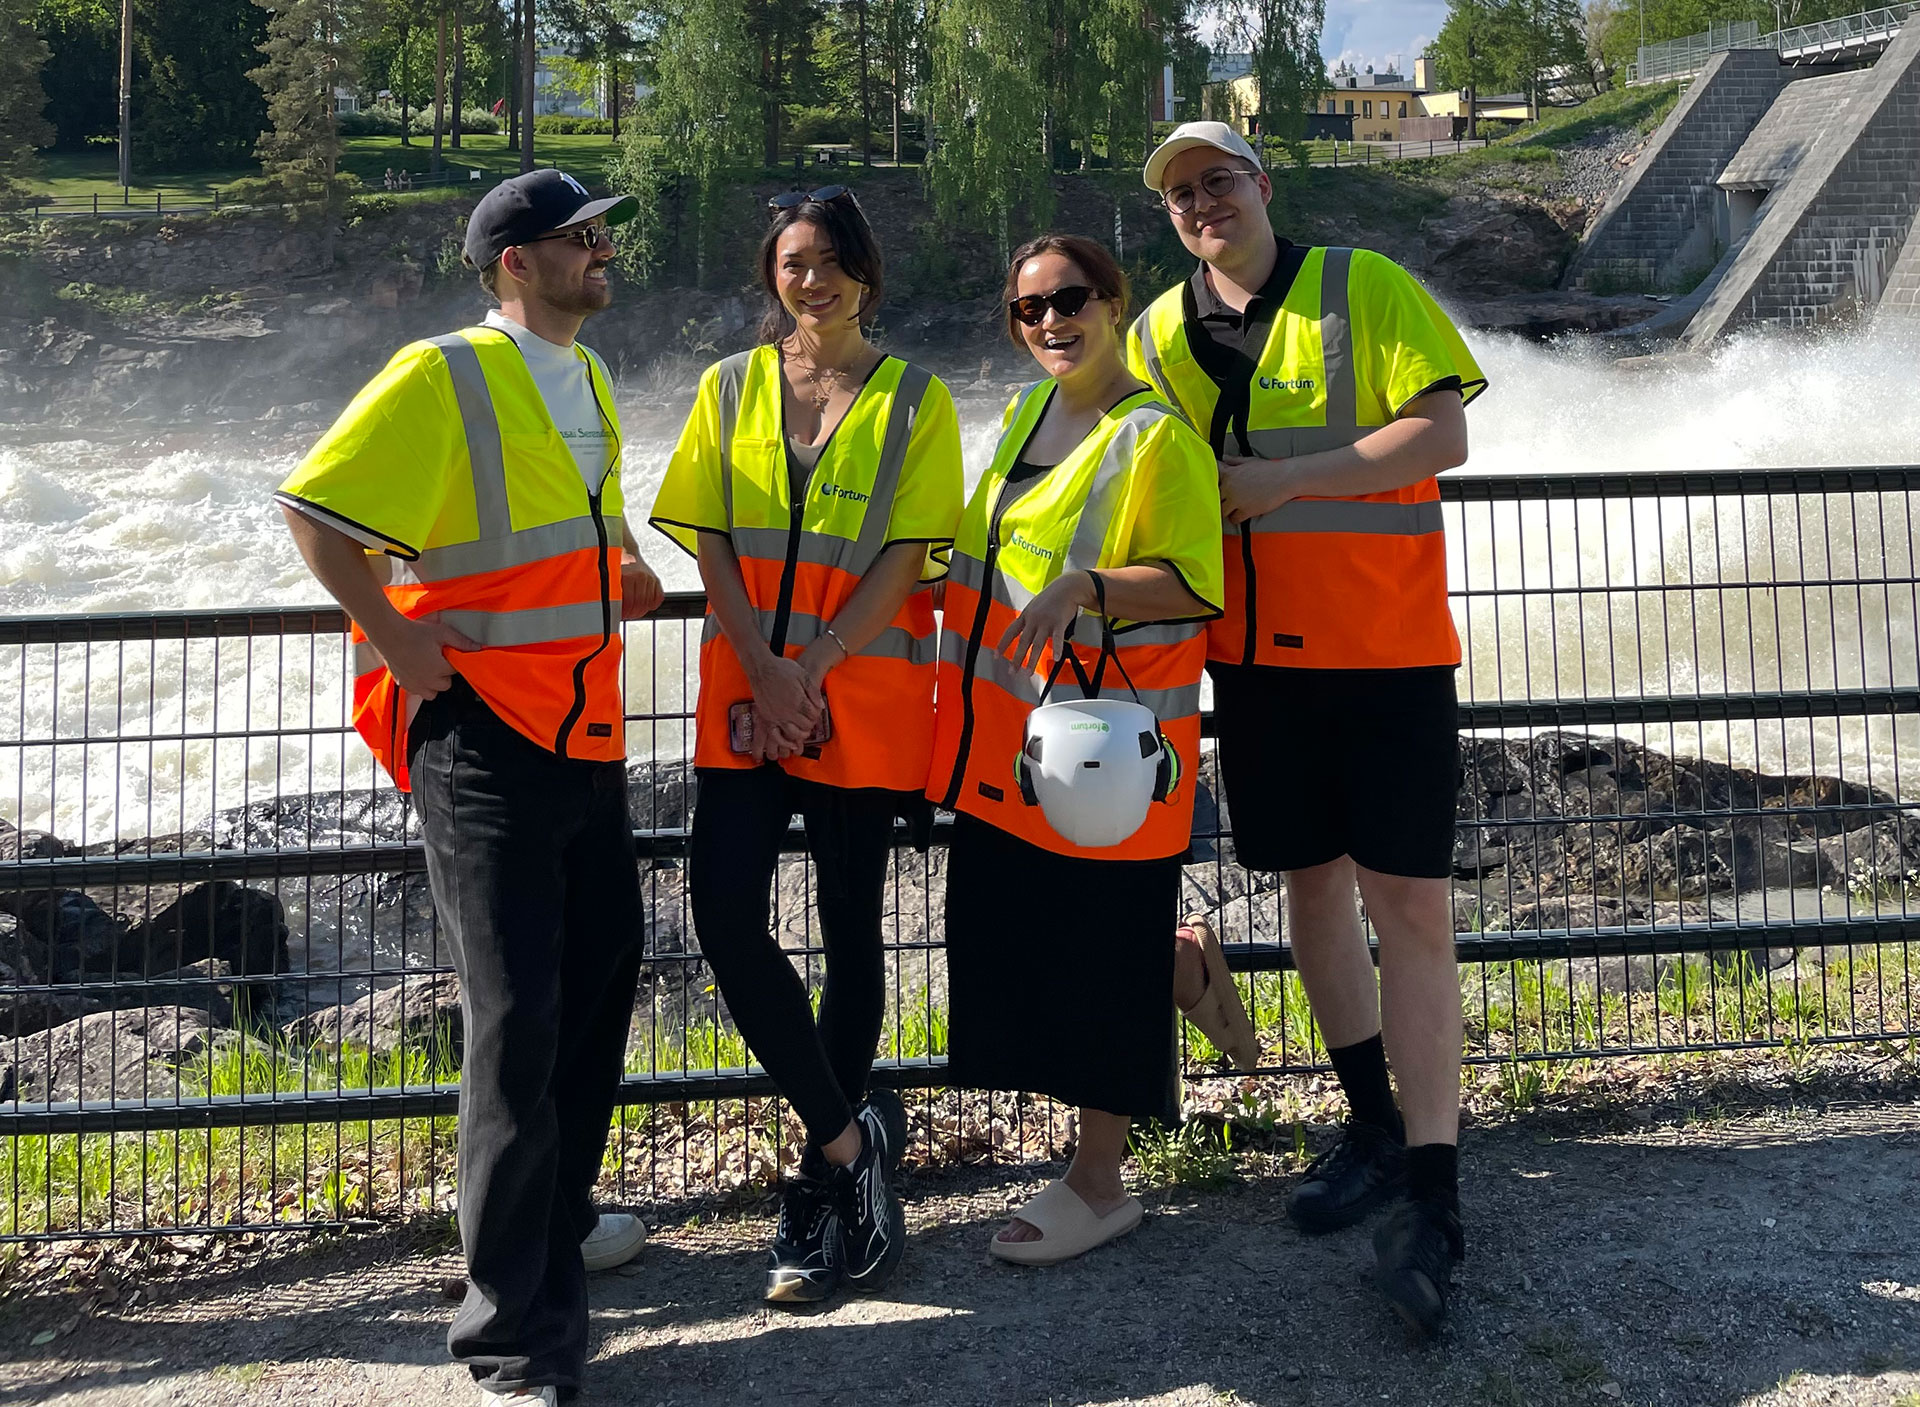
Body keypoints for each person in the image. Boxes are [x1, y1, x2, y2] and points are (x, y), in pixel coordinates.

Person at [274, 169, 664, 1406]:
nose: (602, 252)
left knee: (600, 976)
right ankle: (511, 1337)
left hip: (584, 734)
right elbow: (313, 511)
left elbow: (575, 528)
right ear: (515, 263)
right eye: (580, 238)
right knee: (517, 1026)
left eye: (602, 236)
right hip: (483, 739)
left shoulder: (588, 378)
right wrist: (396, 639)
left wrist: (626, 566)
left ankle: (559, 1222)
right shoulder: (440, 372)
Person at [1127, 121, 1487, 1336]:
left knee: (1413, 909)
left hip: (1386, 657)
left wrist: (1291, 478)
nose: (1202, 204)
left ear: (1262, 184)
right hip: (1254, 669)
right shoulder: (1156, 334)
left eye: (1217, 181)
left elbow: (1444, 432)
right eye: (1181, 194)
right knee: (1313, 891)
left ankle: (1434, 1186)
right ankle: (1372, 1129)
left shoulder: (1359, 288)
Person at [649, 186, 963, 1304]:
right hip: (747, 698)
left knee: (850, 930)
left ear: (866, 271)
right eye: (793, 262)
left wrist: (814, 664)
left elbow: (911, 556)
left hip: (861, 696)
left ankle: (825, 1190)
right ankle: (850, 1141)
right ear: (769, 275)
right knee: (725, 915)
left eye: (832, 260)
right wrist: (768, 668)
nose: (813, 279)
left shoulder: (918, 400)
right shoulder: (727, 386)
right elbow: (709, 541)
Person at [927, 233, 1242, 1266]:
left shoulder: (1157, 438)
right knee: (1029, 943)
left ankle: (1101, 1182)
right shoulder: (1027, 414)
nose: (1051, 322)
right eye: (1030, 309)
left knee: (1098, 951)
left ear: (1113, 303)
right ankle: (1182, 967)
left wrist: (1088, 588)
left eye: (1070, 300)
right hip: (1012, 746)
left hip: (1107, 757)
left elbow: (1195, 584)